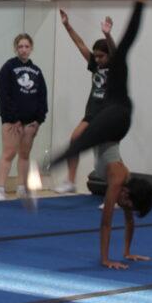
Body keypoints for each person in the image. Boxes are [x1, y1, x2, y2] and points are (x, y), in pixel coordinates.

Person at [48, 0, 152, 268]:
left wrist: (125, 253)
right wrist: (109, 258)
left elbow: (121, 219)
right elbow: (108, 220)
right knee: (79, 141)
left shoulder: (123, 185)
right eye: (128, 203)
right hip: (115, 116)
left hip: (112, 114)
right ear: (128, 193)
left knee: (122, 55)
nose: (125, 207)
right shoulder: (120, 179)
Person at [53, 10, 116, 194]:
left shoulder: (115, 67)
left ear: (109, 56)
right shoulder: (95, 65)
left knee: (106, 156)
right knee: (75, 139)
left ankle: (115, 192)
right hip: (92, 112)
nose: (97, 59)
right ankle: (70, 181)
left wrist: (107, 35)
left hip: (107, 114)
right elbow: (79, 43)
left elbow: (115, 51)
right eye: (95, 56)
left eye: (101, 56)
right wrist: (67, 25)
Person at [0, 33, 48, 203]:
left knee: (24, 155)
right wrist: (13, 117)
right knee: (8, 153)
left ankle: (21, 188)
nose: (23, 50)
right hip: (12, 121)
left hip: (30, 121)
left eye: (26, 46)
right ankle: (0, 189)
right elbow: (3, 94)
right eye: (20, 46)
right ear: (15, 48)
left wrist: (39, 120)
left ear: (31, 48)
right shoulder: (8, 68)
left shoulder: (37, 71)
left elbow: (42, 96)